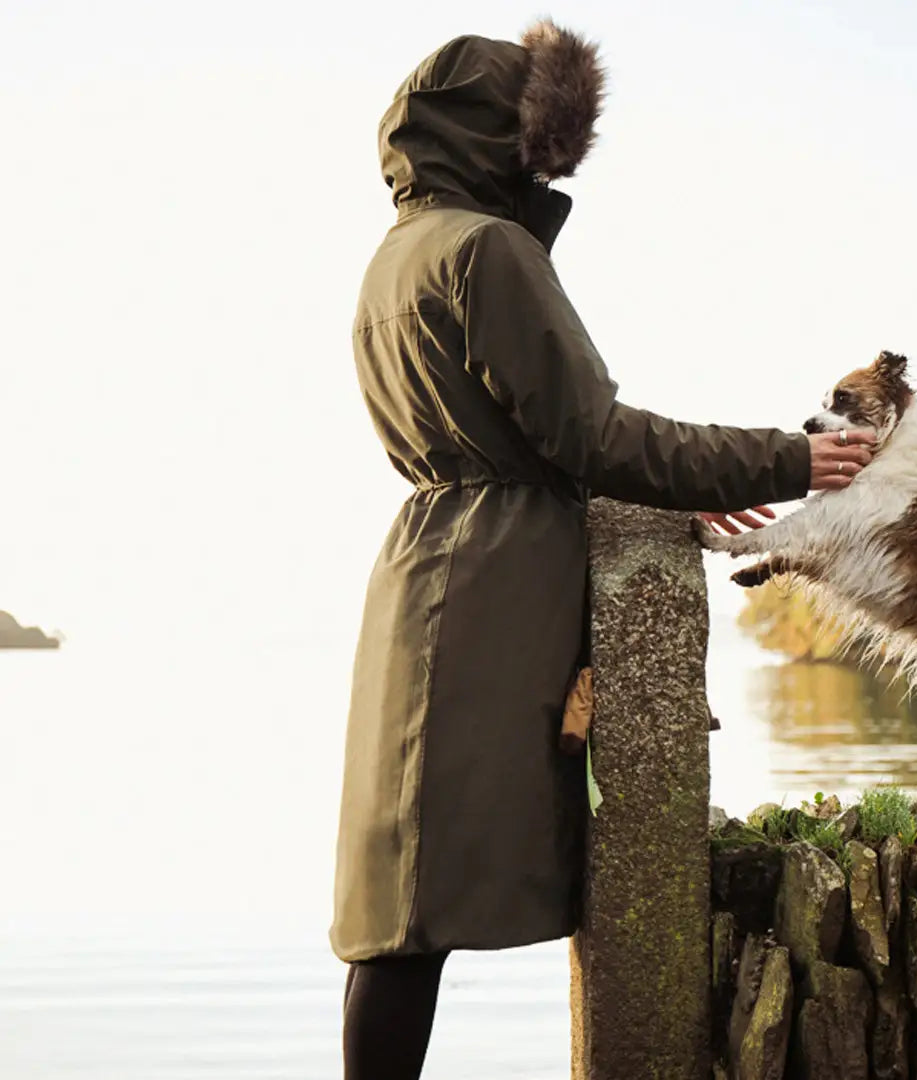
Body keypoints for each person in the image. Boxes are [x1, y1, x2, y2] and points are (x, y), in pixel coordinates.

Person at [333, 21, 874, 1079]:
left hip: (429, 569)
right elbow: (593, 432)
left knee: (399, 909)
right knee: (412, 911)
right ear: (503, 131)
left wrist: (647, 508)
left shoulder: (393, 260)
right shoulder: (487, 250)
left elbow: (535, 440)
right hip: (490, 595)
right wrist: (784, 460)